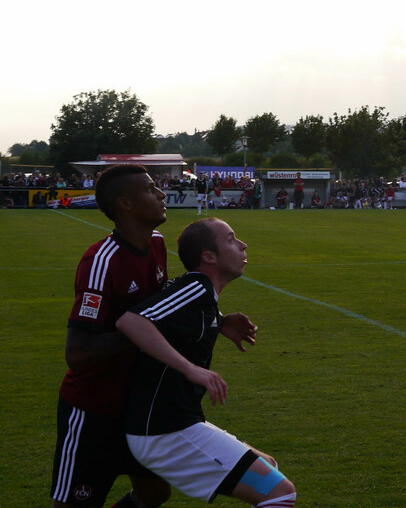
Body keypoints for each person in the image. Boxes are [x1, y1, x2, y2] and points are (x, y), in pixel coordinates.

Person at [117, 218, 295, 506]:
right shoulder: (197, 286)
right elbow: (132, 321)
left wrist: (220, 321)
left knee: (268, 466)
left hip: (172, 425)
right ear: (209, 257)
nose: (242, 245)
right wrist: (191, 368)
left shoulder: (202, 296)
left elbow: (177, 321)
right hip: (164, 432)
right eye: (231, 239)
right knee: (280, 493)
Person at [50, 164, 173, 508]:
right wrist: (141, 333)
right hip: (93, 410)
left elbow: (163, 308)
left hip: (138, 405)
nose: (161, 194)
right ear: (126, 205)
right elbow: (77, 354)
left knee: (155, 492)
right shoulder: (101, 262)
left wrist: (219, 320)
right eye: (150, 189)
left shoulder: (158, 245)